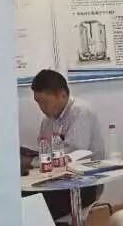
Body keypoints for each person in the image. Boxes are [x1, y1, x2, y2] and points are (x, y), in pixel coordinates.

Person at [30, 69, 106, 215]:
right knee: (23, 199)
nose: (41, 108)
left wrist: (32, 162)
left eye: (45, 102)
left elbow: (73, 154)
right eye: (38, 102)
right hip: (56, 181)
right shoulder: (47, 121)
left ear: (62, 95)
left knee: (34, 206)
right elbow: (43, 153)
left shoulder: (81, 112)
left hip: (85, 184)